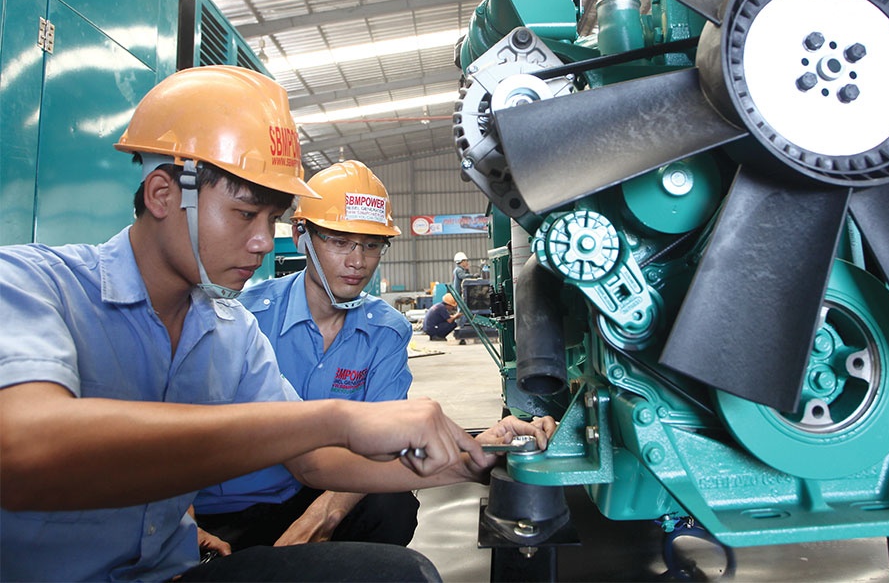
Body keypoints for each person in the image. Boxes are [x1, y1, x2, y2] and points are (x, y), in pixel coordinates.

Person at [0, 65, 556, 582]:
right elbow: (25, 449)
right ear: (163, 194)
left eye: (271, 218)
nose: (265, 241)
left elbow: (314, 462)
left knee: (402, 574)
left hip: (176, 567)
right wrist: (338, 418)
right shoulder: (33, 285)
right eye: (246, 214)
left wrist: (472, 458)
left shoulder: (230, 332)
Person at [193, 161, 419, 552]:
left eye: (371, 245)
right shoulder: (244, 318)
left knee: (392, 503)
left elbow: (384, 444)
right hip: (230, 507)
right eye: (340, 241)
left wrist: (322, 516)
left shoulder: (387, 332)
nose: (357, 261)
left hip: (319, 490)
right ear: (301, 235)